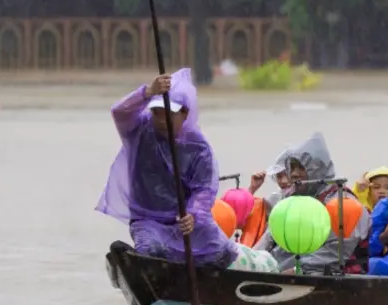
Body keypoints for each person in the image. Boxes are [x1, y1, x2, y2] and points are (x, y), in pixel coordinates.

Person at [97, 69, 277, 273]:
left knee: (221, 254)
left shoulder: (198, 147)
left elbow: (203, 190)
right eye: (156, 112)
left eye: (167, 114)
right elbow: (119, 112)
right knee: (151, 250)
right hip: (148, 218)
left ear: (184, 114)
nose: (160, 119)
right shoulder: (138, 130)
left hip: (187, 221)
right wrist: (147, 92)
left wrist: (193, 215)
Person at [252, 133, 370, 274]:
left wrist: (298, 269)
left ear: (317, 168)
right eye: (292, 168)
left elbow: (334, 253)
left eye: (301, 168)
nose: (294, 174)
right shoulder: (291, 199)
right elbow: (270, 237)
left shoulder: (343, 203)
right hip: (285, 269)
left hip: (333, 274)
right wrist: (253, 260)